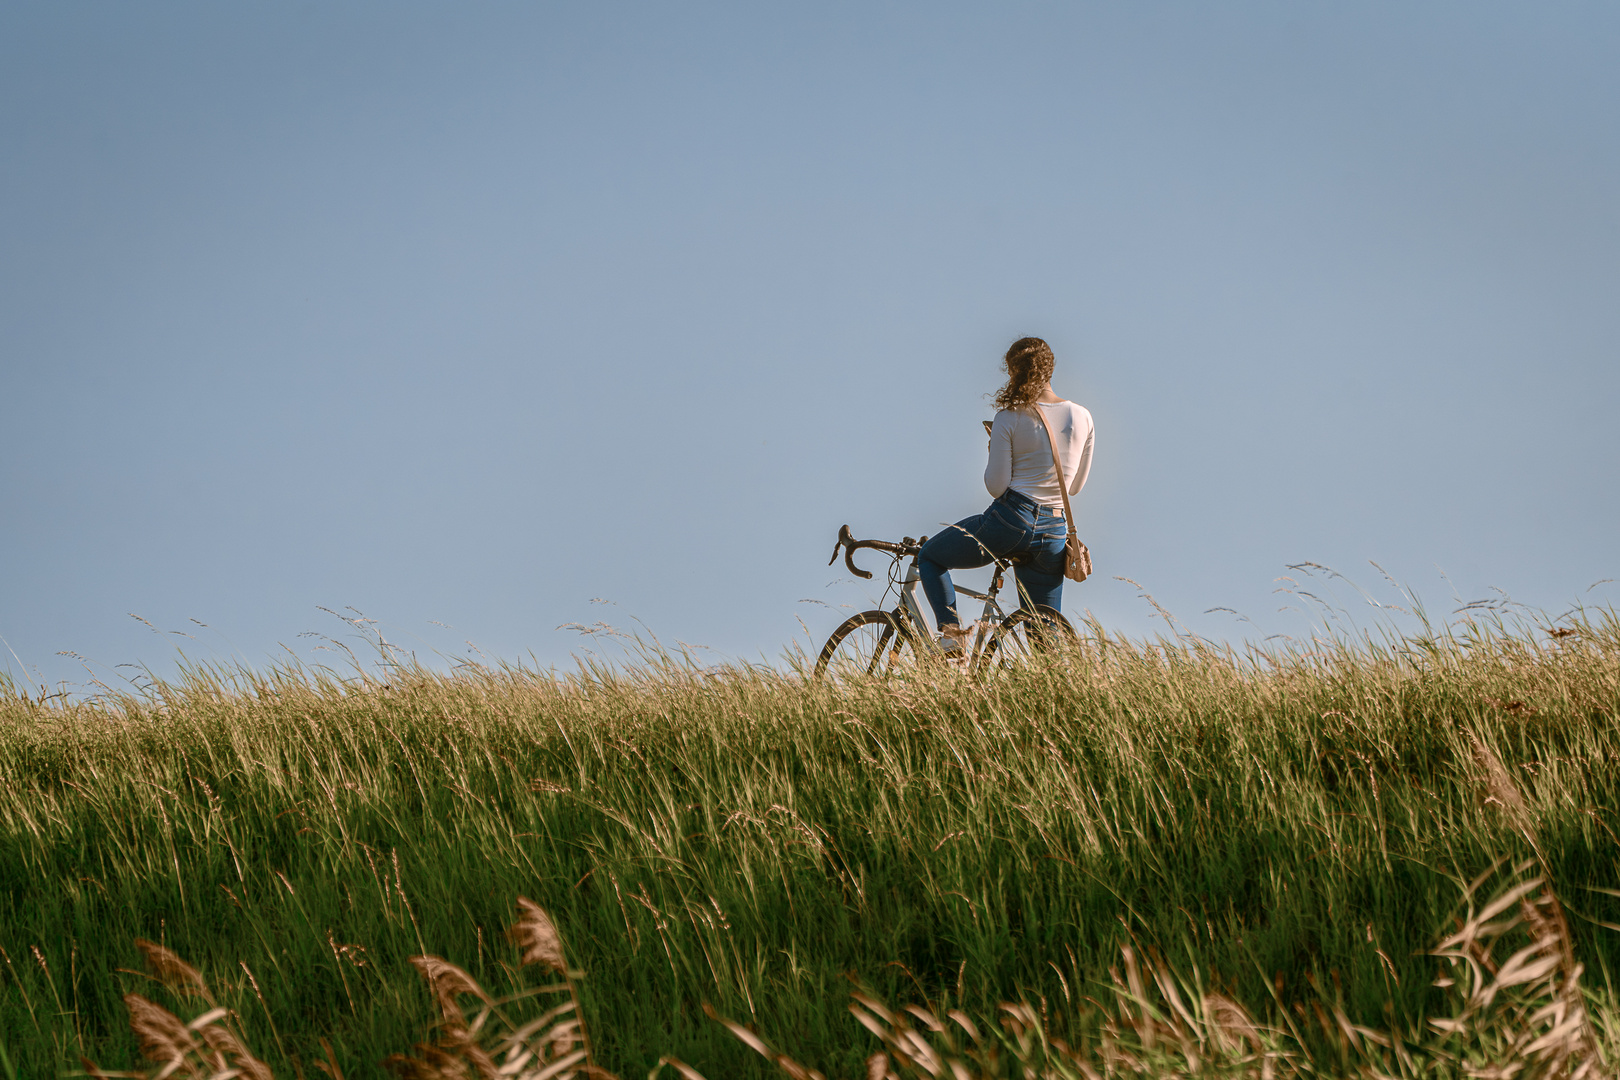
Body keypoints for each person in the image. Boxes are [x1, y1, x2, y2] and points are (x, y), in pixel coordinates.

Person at [917, 336, 1095, 655]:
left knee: (930, 556)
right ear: (1050, 368)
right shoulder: (1082, 417)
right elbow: (1074, 487)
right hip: (1054, 530)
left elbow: (996, 486)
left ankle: (952, 637)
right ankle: (1056, 690)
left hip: (1013, 520)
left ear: (1013, 372)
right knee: (1043, 631)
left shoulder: (1008, 418)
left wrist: (994, 451)